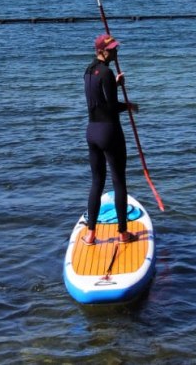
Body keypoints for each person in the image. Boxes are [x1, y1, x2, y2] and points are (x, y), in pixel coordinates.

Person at [81, 33, 140, 245]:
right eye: (113, 49)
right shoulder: (106, 72)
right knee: (119, 181)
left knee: (97, 182)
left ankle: (90, 234)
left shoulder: (89, 71)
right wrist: (129, 106)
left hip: (92, 132)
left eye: (116, 48)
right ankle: (123, 234)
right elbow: (112, 107)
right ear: (102, 51)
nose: (116, 52)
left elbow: (98, 99)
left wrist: (114, 84)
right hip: (109, 132)